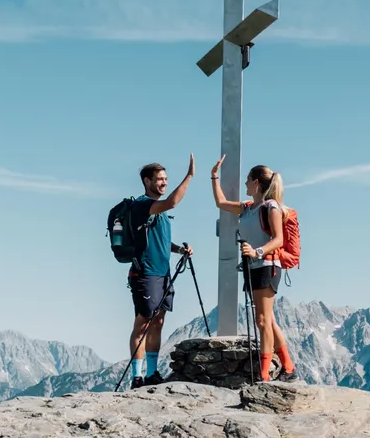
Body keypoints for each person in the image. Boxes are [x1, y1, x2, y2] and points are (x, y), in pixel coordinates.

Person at [210, 156, 298, 382]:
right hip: (253, 266)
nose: (246, 185)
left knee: (261, 320)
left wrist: (257, 252)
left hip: (267, 265)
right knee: (268, 320)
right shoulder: (248, 208)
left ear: (256, 183)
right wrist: (213, 176)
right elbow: (220, 203)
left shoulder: (272, 208)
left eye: (248, 181)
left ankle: (264, 374)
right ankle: (288, 366)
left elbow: (278, 240)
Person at [128, 155, 194, 385]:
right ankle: (137, 377)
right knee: (143, 323)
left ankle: (151, 374)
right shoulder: (142, 205)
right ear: (147, 181)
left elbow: (162, 241)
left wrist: (179, 250)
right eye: (160, 179)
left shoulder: (160, 211)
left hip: (162, 273)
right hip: (146, 273)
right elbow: (173, 202)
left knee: (158, 322)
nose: (164, 183)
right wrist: (189, 177)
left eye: (166, 179)